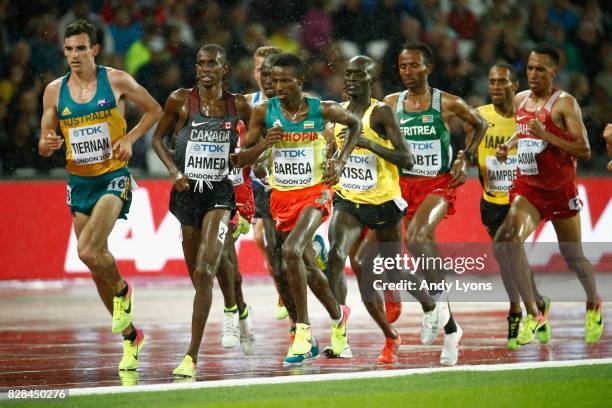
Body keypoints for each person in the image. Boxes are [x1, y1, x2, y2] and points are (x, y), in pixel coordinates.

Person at [38, 19, 162, 371]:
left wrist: (128, 139)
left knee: (88, 250)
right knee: (95, 265)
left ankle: (123, 290)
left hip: (113, 176)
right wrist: (47, 144)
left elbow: (155, 109)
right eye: (68, 49)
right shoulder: (53, 91)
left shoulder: (116, 80)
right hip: (79, 183)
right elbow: (44, 142)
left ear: (94, 49)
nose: (74, 55)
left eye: (80, 48)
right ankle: (130, 338)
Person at [232, 53, 362, 365]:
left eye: (285, 80)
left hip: (315, 194)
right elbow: (240, 159)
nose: (278, 86)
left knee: (290, 251)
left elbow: (354, 123)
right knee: (308, 266)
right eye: (274, 80)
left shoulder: (321, 109)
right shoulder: (263, 112)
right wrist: (265, 144)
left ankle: (301, 331)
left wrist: (340, 160)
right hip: (281, 198)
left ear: (299, 82)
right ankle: (338, 315)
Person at [326, 55, 450, 364]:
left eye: (360, 74)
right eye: (349, 73)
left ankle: (429, 305)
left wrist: (371, 145)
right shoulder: (338, 113)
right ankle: (348, 332)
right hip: (349, 201)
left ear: (371, 79)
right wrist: (329, 161)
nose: (352, 78)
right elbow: (334, 150)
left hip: (383, 204)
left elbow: (407, 159)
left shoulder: (380, 112)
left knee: (392, 270)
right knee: (340, 256)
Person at [150, 44, 252, 377]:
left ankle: (191, 357)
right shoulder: (180, 100)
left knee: (207, 269)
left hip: (220, 195)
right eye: (200, 63)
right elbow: (157, 140)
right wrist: (174, 171)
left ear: (225, 69)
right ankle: (233, 305)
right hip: (187, 193)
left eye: (212, 64)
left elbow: (257, 137)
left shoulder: (237, 105)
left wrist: (252, 156)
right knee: (199, 273)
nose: (205, 68)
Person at [383, 42, 488, 365]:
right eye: (402, 66)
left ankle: (435, 308)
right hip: (403, 186)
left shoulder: (447, 103)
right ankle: (451, 329)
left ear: (428, 67)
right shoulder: (390, 104)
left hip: (439, 185)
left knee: (414, 239)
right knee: (426, 256)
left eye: (414, 65)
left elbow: (481, 124)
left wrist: (466, 157)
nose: (407, 72)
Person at [494, 43, 603, 345]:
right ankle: (535, 312)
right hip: (528, 190)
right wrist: (509, 146)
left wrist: (549, 136)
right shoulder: (520, 100)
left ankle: (593, 302)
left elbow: (584, 149)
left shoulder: (565, 104)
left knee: (574, 257)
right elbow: (523, 130)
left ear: (554, 72)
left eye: (540, 69)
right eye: (529, 67)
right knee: (510, 240)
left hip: (559, 191)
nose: (533, 74)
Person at [465, 62, 547, 350]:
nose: (496, 88)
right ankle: (534, 301)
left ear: (516, 86)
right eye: (492, 82)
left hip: (523, 199)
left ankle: (525, 312)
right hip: (492, 201)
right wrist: (466, 160)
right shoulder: (478, 117)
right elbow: (470, 154)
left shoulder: (527, 117)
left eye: (502, 82)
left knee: (510, 247)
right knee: (508, 257)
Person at [245, 46, 292, 321]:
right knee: (264, 241)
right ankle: (282, 288)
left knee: (286, 246)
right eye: (258, 70)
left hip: (287, 183)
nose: (263, 76)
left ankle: (289, 280)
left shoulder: (292, 102)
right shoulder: (246, 103)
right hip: (257, 184)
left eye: (268, 71)